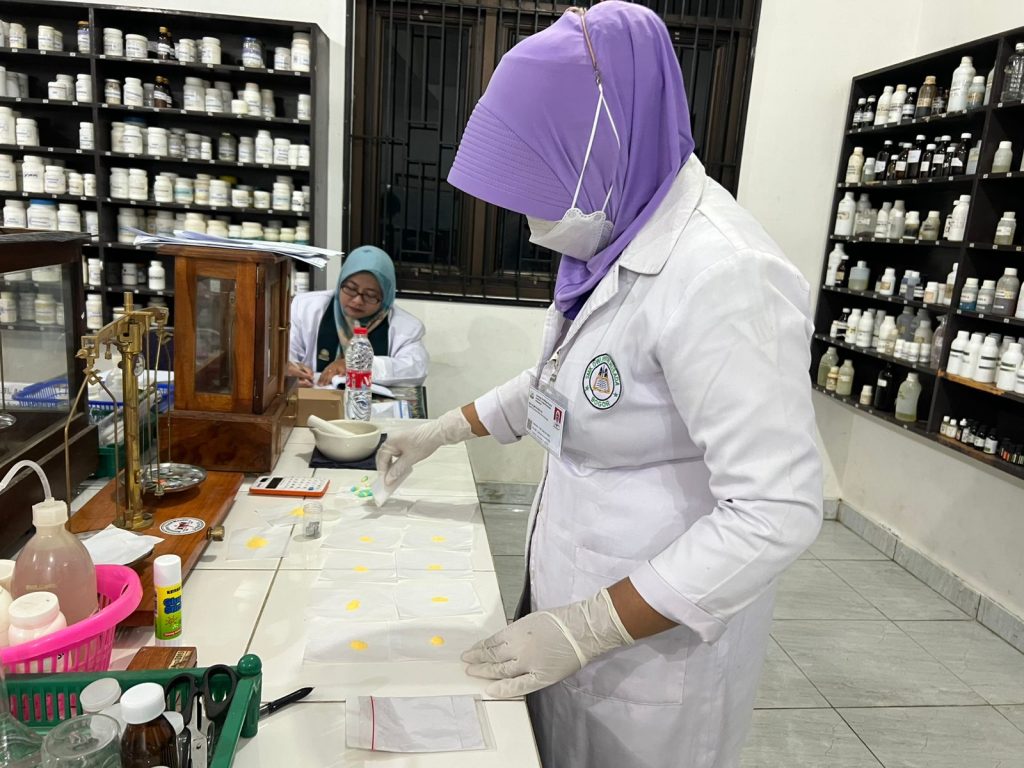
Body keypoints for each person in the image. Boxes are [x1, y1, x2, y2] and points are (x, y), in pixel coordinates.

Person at [376, 4, 822, 768]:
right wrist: (442, 429)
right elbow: (562, 386)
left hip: (654, 652)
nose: (531, 217)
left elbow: (776, 509)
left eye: (545, 185)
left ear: (606, 144)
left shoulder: (725, 273)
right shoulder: (614, 239)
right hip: (575, 601)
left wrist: (593, 626)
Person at [288, 245, 429, 387]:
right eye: (350, 288)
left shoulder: (406, 327)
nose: (357, 301)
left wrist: (358, 365)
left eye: (370, 295)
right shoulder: (306, 308)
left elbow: (416, 369)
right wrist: (292, 369)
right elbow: (285, 353)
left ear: (386, 297)